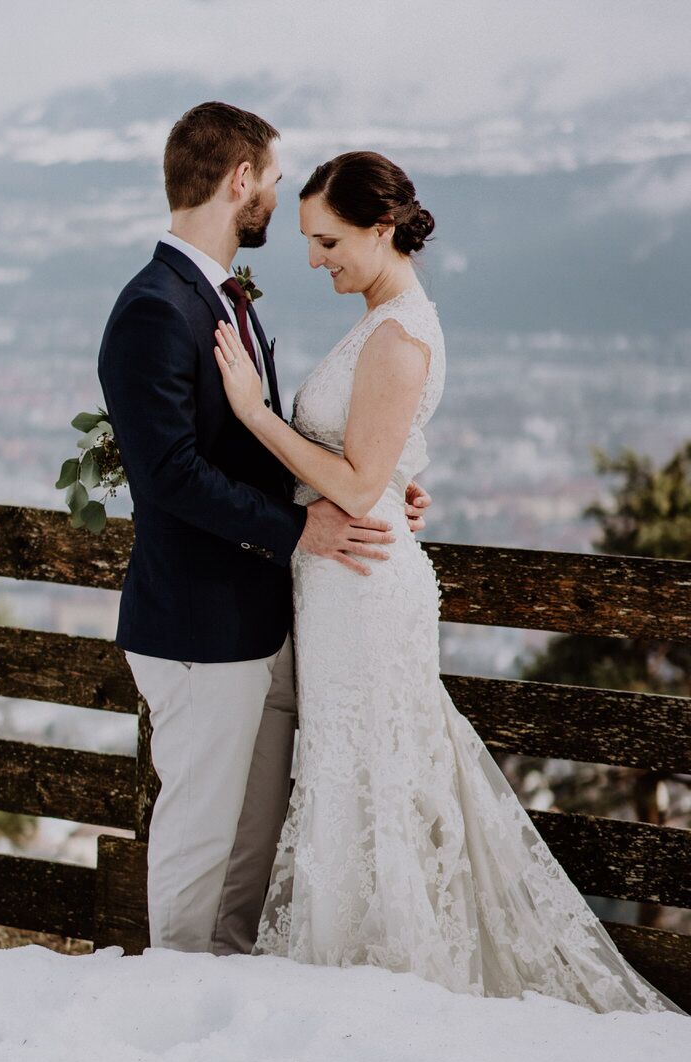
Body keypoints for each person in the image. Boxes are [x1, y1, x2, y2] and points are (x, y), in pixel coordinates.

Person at [214, 149, 686, 1016]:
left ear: (382, 228)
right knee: (352, 768)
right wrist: (393, 483)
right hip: (341, 577)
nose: (314, 258)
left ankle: (387, 982)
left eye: (328, 241)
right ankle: (349, 966)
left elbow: (353, 483)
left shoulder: (397, 334)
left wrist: (253, 414)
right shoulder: (383, 317)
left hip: (361, 587)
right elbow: (373, 465)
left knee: (372, 770)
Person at [97, 104, 430, 957]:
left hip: (259, 621)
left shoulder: (217, 295)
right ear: (241, 181)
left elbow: (250, 446)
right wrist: (299, 529)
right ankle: (169, 992)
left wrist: (383, 487)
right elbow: (169, 475)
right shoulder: (153, 309)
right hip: (198, 626)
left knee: (248, 845)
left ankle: (230, 993)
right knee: (199, 838)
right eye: (277, 182)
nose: (280, 204)